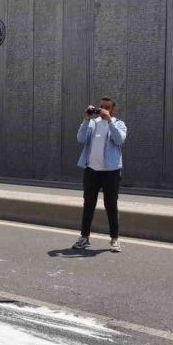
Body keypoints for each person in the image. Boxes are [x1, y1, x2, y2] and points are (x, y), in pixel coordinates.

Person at [72, 96, 128, 252]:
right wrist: (85, 119)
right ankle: (84, 238)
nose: (103, 110)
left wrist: (109, 121)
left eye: (107, 107)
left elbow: (119, 140)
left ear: (112, 109)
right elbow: (80, 138)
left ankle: (114, 240)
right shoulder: (92, 124)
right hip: (91, 171)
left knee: (111, 206)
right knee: (88, 205)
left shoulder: (118, 124)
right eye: (101, 107)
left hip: (111, 172)